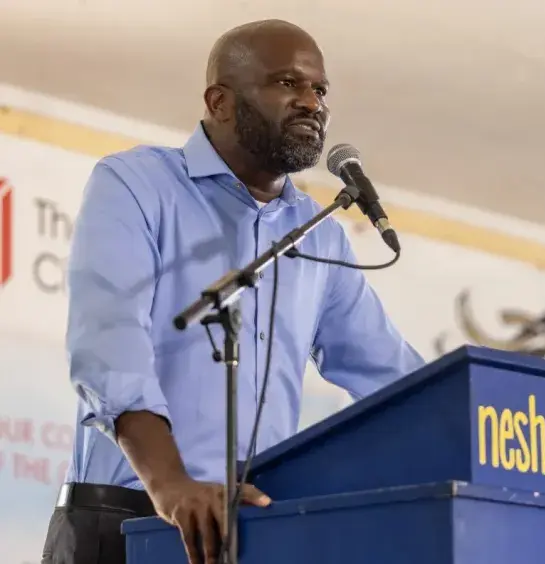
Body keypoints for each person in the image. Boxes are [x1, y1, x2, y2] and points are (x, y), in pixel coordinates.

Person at [41, 19, 424, 564]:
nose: (311, 103)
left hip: (245, 531)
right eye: (287, 83)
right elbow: (109, 345)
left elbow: (395, 381)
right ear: (219, 102)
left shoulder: (319, 234)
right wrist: (172, 485)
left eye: (320, 89)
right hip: (126, 523)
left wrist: (493, 429)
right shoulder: (137, 184)